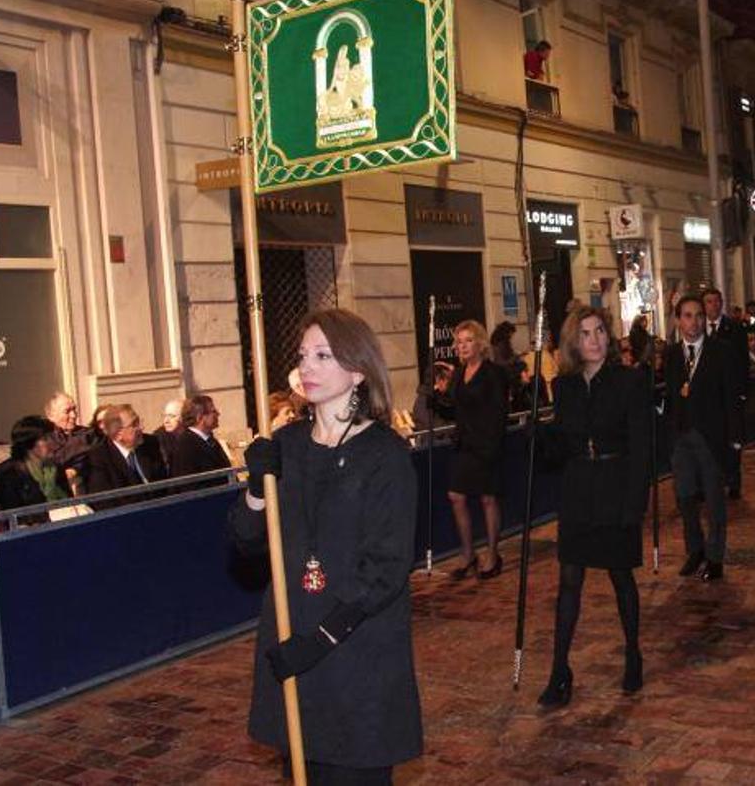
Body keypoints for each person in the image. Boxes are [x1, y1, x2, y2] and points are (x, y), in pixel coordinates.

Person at [229, 308, 422, 783]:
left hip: (356, 654)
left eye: (323, 355)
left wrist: (320, 642)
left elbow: (385, 569)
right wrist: (257, 486)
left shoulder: (385, 455)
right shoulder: (287, 445)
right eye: (302, 356)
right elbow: (245, 543)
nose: (306, 367)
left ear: (357, 370)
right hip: (294, 645)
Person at [536, 307, 650, 707]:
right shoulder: (564, 386)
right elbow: (561, 449)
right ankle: (559, 669)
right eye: (585, 334)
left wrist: (636, 502)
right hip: (579, 489)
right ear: (574, 342)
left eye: (600, 330)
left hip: (616, 485)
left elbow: (641, 447)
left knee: (621, 576)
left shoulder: (629, 381)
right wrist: (542, 433)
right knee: (570, 580)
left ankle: (633, 652)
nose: (595, 339)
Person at [664, 294, 740, 581]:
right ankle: (694, 550)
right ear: (678, 320)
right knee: (684, 498)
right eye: (687, 315)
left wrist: (734, 438)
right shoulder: (671, 354)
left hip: (711, 437)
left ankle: (715, 556)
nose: (693, 321)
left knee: (714, 501)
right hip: (682, 438)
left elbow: (731, 398)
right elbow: (671, 395)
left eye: (698, 315)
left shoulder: (721, 351)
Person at [433, 320, 510, 580]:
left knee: (488, 499)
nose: (463, 346)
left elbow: (500, 412)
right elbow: (452, 409)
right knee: (456, 496)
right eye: (459, 342)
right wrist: (434, 396)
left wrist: (492, 444)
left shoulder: (493, 373)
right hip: (465, 445)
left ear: (479, 343)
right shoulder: (458, 374)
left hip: (487, 445)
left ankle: (492, 554)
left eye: (468, 340)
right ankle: (468, 554)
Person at [701, 287, 748, 498]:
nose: (713, 305)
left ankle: (733, 480)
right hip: (708, 398)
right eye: (709, 301)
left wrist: (742, 392)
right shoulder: (699, 329)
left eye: (716, 301)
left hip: (729, 394)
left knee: (732, 439)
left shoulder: (734, 328)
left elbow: (743, 362)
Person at [0, 416, 76, 521]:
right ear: (29, 444)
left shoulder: (56, 468)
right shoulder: (11, 475)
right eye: (45, 439)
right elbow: (12, 517)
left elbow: (69, 501)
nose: (53, 443)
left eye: (52, 437)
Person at [85, 404, 168, 495]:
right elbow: (105, 501)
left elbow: (164, 484)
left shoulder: (150, 443)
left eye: (139, 421)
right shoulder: (98, 458)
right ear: (118, 434)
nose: (141, 427)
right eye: (134, 424)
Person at [170, 394, 233, 481]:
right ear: (200, 417)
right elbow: (188, 484)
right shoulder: (185, 445)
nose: (218, 414)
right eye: (213, 411)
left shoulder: (211, 441)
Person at [42, 391, 92, 488]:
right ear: (51, 416)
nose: (73, 415)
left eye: (74, 409)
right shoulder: (43, 441)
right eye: (67, 411)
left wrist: (75, 470)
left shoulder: (88, 434)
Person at [152, 398, 183, 474]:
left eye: (172, 416)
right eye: (165, 416)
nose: (166, 421)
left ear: (184, 417)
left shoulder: (191, 435)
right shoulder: (158, 438)